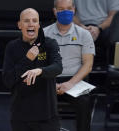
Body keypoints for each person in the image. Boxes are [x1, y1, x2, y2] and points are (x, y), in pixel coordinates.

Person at [2, 8, 63, 131]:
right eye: (26, 21)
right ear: (19, 25)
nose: (31, 24)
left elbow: (58, 67)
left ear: (39, 25)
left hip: (47, 115)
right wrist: (27, 60)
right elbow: (7, 80)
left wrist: (39, 70)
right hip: (21, 116)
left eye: (34, 21)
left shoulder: (49, 44)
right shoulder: (12, 47)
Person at [44, 0, 95, 131]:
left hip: (75, 81)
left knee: (84, 102)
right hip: (49, 79)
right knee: (32, 98)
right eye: (61, 9)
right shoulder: (43, 34)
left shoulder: (84, 34)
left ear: (74, 10)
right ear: (55, 11)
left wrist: (70, 83)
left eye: (68, 8)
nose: (65, 12)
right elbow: (39, 63)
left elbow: (88, 65)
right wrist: (50, 82)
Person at [74, 0, 119, 67]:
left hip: (104, 26)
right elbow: (66, 10)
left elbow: (114, 15)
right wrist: (81, 26)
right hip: (79, 25)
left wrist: (99, 28)